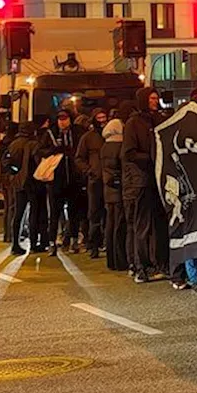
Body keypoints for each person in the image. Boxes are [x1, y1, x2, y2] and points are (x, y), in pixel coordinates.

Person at [122, 87, 166, 282]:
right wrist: (151, 158)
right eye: (152, 99)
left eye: (156, 98)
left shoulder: (158, 120)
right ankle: (142, 266)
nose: (155, 102)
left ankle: (159, 263)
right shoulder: (133, 123)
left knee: (159, 225)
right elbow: (128, 153)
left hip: (157, 179)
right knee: (143, 225)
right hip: (141, 181)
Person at [40, 109, 86, 256]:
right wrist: (54, 149)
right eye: (60, 119)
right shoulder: (50, 134)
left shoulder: (77, 132)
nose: (62, 121)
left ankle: (73, 241)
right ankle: (52, 243)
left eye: (65, 118)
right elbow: (40, 152)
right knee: (54, 213)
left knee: (74, 212)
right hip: (56, 181)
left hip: (74, 180)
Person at [3, 122, 41, 255]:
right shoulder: (34, 144)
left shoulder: (13, 144)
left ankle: (15, 244)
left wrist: (16, 172)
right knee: (33, 213)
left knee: (18, 213)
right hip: (32, 182)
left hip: (18, 183)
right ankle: (34, 243)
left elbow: (6, 162)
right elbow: (38, 162)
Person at [75, 108, 109, 259]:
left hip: (109, 181)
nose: (102, 120)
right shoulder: (88, 138)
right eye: (99, 118)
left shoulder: (110, 135)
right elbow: (79, 158)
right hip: (95, 180)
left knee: (109, 215)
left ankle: (107, 244)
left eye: (104, 117)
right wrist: (89, 170)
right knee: (94, 214)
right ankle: (94, 245)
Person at [100, 111, 129, 272]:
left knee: (110, 225)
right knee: (119, 225)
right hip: (118, 190)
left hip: (108, 190)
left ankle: (111, 259)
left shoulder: (105, 146)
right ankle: (120, 260)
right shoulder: (119, 146)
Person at [0, 122, 20, 244]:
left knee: (7, 206)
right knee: (12, 206)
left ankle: (7, 234)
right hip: (10, 177)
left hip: (3, 177)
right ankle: (11, 234)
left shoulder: (2, 143)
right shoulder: (12, 143)